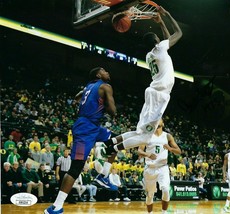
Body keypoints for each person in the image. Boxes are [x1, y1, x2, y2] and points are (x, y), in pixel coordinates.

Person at [102, 6, 182, 156]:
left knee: (140, 131)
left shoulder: (150, 54)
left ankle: (110, 142)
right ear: (157, 41)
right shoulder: (160, 49)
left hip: (153, 93)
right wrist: (167, 15)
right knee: (145, 137)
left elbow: (167, 39)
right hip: (159, 95)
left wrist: (160, 23)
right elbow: (178, 33)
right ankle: (111, 149)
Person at [44, 67, 116, 214]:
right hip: (85, 129)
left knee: (115, 141)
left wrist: (80, 101)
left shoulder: (89, 87)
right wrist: (106, 104)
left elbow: (78, 96)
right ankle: (56, 206)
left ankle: (104, 175)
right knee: (76, 168)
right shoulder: (105, 86)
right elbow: (113, 111)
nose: (107, 72)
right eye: (104, 71)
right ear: (98, 75)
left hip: (93, 127)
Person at [138, 119, 181, 214]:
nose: (157, 121)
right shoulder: (147, 136)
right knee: (150, 194)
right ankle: (150, 213)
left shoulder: (167, 136)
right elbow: (139, 151)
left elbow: (179, 151)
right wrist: (147, 155)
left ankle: (164, 212)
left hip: (163, 167)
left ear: (163, 123)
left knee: (166, 189)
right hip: (150, 168)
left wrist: (170, 148)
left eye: (160, 120)